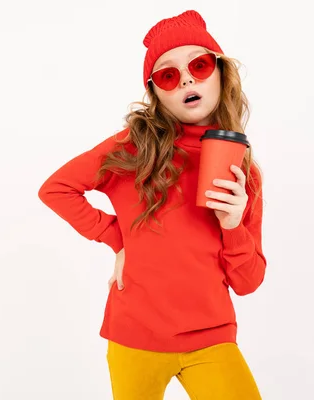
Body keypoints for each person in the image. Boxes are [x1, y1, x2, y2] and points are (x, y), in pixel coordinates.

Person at [37, 10, 266, 400]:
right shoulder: (132, 148)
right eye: (168, 75)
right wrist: (119, 238)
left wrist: (232, 224)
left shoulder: (242, 172)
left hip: (210, 338)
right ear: (156, 93)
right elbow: (56, 189)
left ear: (221, 73)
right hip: (135, 336)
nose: (188, 79)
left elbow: (248, 282)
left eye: (199, 65)